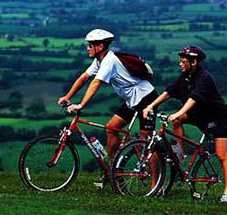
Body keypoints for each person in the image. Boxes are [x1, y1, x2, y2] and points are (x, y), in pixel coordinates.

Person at [58, 29, 158, 187]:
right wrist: (68, 97)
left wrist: (81, 105)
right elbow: (84, 77)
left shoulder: (109, 61)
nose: (87, 48)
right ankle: (113, 171)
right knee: (111, 129)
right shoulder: (99, 60)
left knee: (147, 140)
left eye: (90, 45)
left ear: (100, 46)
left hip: (146, 98)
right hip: (132, 100)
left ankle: (155, 185)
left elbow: (96, 83)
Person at [143, 45, 227, 203]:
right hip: (199, 115)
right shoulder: (185, 76)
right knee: (177, 121)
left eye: (183, 61)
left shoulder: (204, 78)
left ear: (194, 62)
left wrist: (178, 112)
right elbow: (169, 92)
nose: (180, 64)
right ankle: (180, 152)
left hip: (217, 117)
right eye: (180, 61)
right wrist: (150, 106)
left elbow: (193, 99)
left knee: (221, 154)